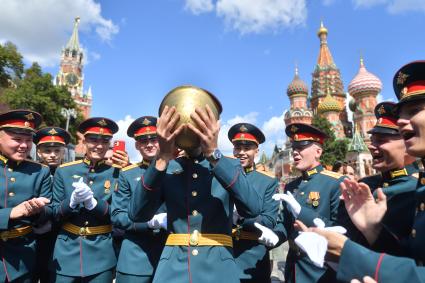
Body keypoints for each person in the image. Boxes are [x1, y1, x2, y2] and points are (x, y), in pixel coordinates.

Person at [295, 61, 425, 283]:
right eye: (371, 138)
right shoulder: (369, 186)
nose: (403, 121)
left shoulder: (413, 187)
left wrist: (349, 255)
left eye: (413, 111)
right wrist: (374, 230)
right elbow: (407, 257)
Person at [129, 89, 262, 283]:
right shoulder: (165, 167)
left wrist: (214, 155)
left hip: (219, 269)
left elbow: (253, 208)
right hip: (173, 269)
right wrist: (161, 158)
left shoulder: (229, 165)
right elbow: (137, 214)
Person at [273, 123, 346, 283]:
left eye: (301, 147)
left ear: (318, 152)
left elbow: (341, 230)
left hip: (321, 272)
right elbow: (286, 224)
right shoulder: (292, 186)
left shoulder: (336, 183)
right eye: (294, 148)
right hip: (293, 269)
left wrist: (303, 213)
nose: (295, 153)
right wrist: (274, 235)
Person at [51, 117, 120, 282]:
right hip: (66, 251)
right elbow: (54, 212)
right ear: (84, 141)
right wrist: (71, 202)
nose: (99, 145)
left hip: (101, 252)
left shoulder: (118, 173)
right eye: (93, 140)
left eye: (105, 141)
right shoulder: (64, 171)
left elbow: (119, 214)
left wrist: (94, 204)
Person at [111, 116, 168, 282]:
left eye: (154, 139)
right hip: (136, 258)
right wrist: (149, 223)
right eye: (143, 140)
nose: (149, 144)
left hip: (170, 256)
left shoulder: (176, 170)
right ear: (137, 145)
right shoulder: (127, 174)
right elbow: (118, 216)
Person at [356, 101, 419, 250]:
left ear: (408, 144)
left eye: (381, 140)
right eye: (372, 140)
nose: (371, 146)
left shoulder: (416, 189)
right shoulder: (365, 184)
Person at [0, 110, 52, 283]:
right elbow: (13, 212)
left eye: (29, 140)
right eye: (17, 139)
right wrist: (11, 213)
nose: (24, 145)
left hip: (24, 257)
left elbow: (48, 214)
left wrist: (39, 211)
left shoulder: (41, 171)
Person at [228, 123, 279, 283]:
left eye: (247, 148)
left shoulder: (267, 181)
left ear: (256, 151)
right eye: (237, 147)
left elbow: (269, 220)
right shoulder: (222, 175)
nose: (241, 153)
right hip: (223, 256)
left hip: (252, 257)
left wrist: (241, 217)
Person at [32, 127, 71, 283]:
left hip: (63, 234)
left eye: (57, 150)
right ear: (39, 152)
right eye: (47, 150)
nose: (53, 154)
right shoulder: (32, 172)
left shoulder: (70, 173)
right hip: (36, 234)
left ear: (64, 152)